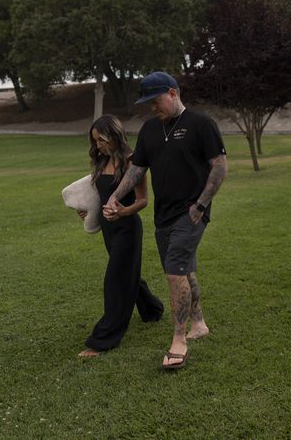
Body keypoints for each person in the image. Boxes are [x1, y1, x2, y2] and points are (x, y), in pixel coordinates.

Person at [105, 71, 227, 370]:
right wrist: (115, 197)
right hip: (164, 215)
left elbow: (219, 167)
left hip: (191, 212)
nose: (152, 108)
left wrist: (200, 206)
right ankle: (198, 323)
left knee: (174, 271)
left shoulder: (201, 124)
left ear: (173, 93)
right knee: (184, 269)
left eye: (156, 100)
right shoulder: (149, 130)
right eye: (148, 103)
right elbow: (137, 170)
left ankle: (179, 339)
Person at [77, 114, 164, 357]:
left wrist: (124, 210)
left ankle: (103, 340)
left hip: (127, 229)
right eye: (95, 141)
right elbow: (101, 196)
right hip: (108, 229)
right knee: (128, 275)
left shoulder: (132, 161)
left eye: (102, 140)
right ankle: (153, 309)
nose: (98, 146)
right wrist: (89, 211)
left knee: (115, 280)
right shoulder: (102, 161)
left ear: (115, 135)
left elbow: (143, 200)